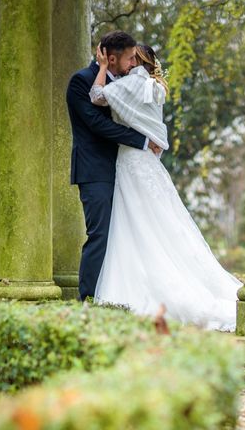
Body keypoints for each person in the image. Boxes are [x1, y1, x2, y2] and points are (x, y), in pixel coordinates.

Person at [89, 42, 242, 331]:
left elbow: (96, 95)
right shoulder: (154, 87)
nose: (129, 61)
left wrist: (103, 67)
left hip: (131, 161)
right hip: (150, 162)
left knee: (135, 224)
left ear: (136, 62)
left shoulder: (130, 84)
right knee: (162, 223)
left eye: (133, 57)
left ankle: (142, 289)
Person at [66, 31, 163, 301]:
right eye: (130, 58)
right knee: (100, 234)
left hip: (125, 169)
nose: (134, 63)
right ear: (110, 58)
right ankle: (86, 300)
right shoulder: (80, 82)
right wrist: (143, 141)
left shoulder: (125, 82)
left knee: (130, 233)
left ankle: (123, 297)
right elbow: (98, 125)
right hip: (95, 171)